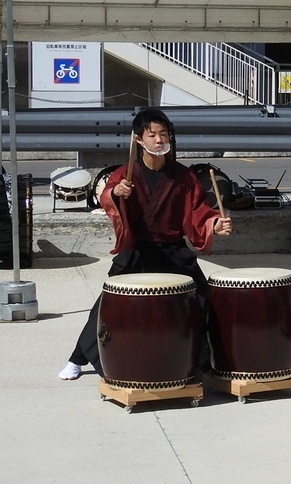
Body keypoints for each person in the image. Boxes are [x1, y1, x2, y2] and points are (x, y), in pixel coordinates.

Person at [58, 108, 233, 380]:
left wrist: (214, 224)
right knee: (108, 305)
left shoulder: (184, 177)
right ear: (138, 139)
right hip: (137, 250)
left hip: (173, 250)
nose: (159, 140)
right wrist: (116, 193)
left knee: (203, 301)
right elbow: (106, 197)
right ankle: (77, 358)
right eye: (152, 134)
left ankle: (210, 359)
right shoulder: (125, 174)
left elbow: (199, 210)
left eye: (164, 134)